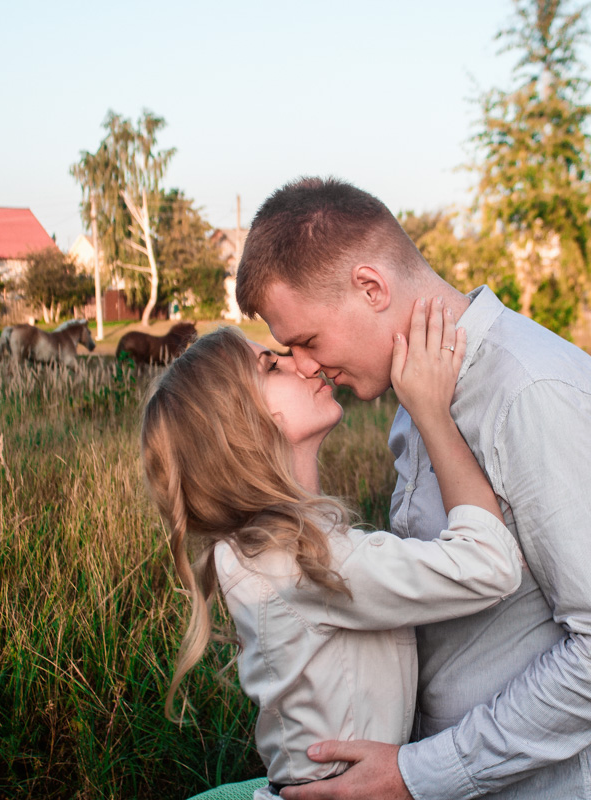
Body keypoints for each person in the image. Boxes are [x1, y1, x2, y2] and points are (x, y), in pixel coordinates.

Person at [233, 177, 591, 800]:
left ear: (371, 287)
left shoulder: (531, 391)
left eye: (306, 341)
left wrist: (421, 774)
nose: (306, 365)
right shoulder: (418, 393)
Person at [140, 302, 525, 798]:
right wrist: (432, 413)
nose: (303, 364)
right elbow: (491, 567)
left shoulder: (275, 546)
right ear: (239, 424)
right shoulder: (293, 561)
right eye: (272, 366)